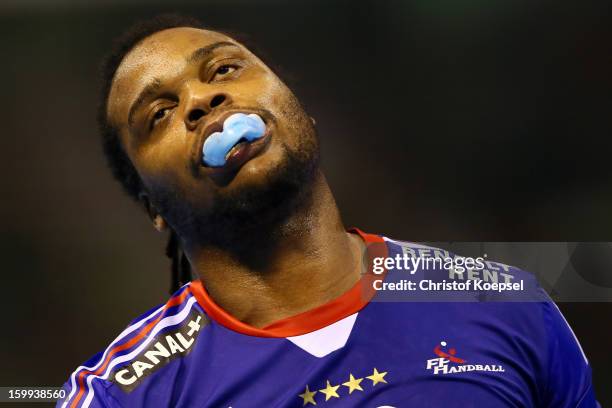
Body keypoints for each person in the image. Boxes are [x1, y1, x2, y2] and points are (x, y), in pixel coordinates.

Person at [59, 14, 598, 408]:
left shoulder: (502, 302)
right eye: (159, 114)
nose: (202, 101)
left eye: (224, 69)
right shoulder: (121, 394)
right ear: (153, 206)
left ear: (300, 111)